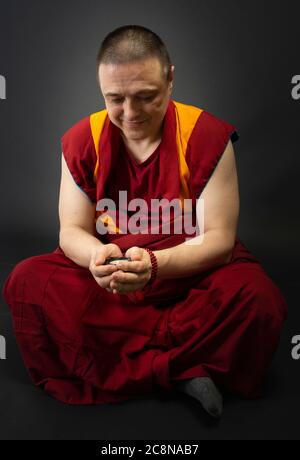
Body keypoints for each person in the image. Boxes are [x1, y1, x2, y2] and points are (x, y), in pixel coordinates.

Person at [2, 25, 288, 419]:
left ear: (170, 79)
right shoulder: (82, 138)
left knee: (258, 297)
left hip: (188, 276)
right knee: (28, 281)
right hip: (116, 283)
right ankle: (184, 369)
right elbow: (71, 231)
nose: (130, 114)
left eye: (146, 97)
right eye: (115, 99)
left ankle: (125, 364)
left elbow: (220, 240)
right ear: (101, 87)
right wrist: (97, 258)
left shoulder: (205, 134)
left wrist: (155, 266)